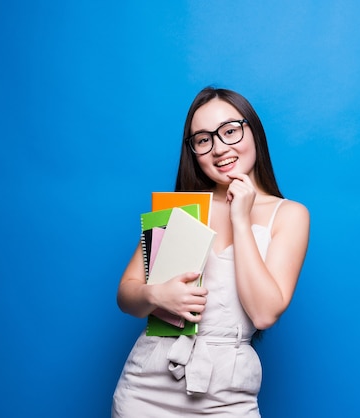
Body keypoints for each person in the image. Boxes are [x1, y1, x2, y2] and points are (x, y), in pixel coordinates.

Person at [112, 87, 310, 417]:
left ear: (253, 132)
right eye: (203, 140)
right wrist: (157, 295)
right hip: (147, 388)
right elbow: (125, 296)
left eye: (230, 131)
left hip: (228, 395)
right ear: (193, 151)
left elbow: (264, 313)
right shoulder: (181, 209)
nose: (219, 148)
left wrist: (240, 219)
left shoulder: (290, 215)